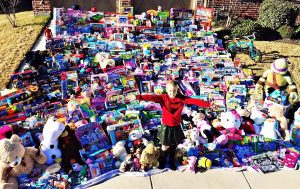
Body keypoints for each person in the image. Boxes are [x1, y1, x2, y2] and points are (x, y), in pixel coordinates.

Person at [135, 80, 211, 170]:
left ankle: (171, 161)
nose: (172, 93)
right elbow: (151, 97)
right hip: (166, 126)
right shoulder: (163, 98)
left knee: (174, 145)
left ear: (177, 89)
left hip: (176, 126)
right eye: (170, 90)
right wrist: (137, 97)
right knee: (164, 146)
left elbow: (193, 100)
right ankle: (162, 161)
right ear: (166, 90)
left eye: (174, 90)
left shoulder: (181, 98)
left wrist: (208, 104)